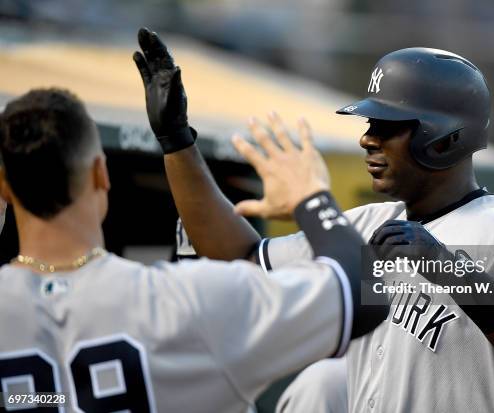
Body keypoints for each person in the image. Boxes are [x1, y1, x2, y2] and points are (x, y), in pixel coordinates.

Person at [135, 27, 494, 412]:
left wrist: (449, 268)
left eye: (386, 127)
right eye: (369, 125)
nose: (367, 140)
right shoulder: (368, 225)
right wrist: (177, 142)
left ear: (443, 138)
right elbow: (240, 255)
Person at [0, 88, 391, 412]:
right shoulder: (185, 301)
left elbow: (54, 396)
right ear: (101, 174)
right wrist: (312, 197)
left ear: (4, 187)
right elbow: (364, 291)